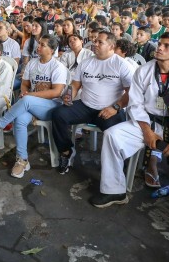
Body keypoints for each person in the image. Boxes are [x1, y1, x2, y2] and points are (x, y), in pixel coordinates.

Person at [90, 33, 169, 239]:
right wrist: (147, 131)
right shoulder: (144, 71)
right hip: (149, 123)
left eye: (167, 46)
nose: (160, 48)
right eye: (160, 44)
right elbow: (136, 103)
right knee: (113, 136)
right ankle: (114, 190)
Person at [0, 34, 67, 178]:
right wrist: (26, 93)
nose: (38, 47)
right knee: (20, 120)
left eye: (43, 45)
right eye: (39, 43)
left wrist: (29, 96)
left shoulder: (57, 67)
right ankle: (22, 160)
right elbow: (25, 84)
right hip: (31, 104)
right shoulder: (32, 63)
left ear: (51, 49)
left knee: (26, 101)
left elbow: (56, 92)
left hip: (51, 107)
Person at [50, 31, 133, 173]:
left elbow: (131, 91)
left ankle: (116, 166)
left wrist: (116, 107)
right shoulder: (86, 63)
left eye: (100, 42)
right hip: (85, 106)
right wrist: (69, 96)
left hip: (109, 109)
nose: (95, 44)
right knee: (58, 114)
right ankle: (66, 152)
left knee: (116, 135)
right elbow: (75, 85)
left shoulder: (121, 65)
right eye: (95, 41)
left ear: (111, 46)